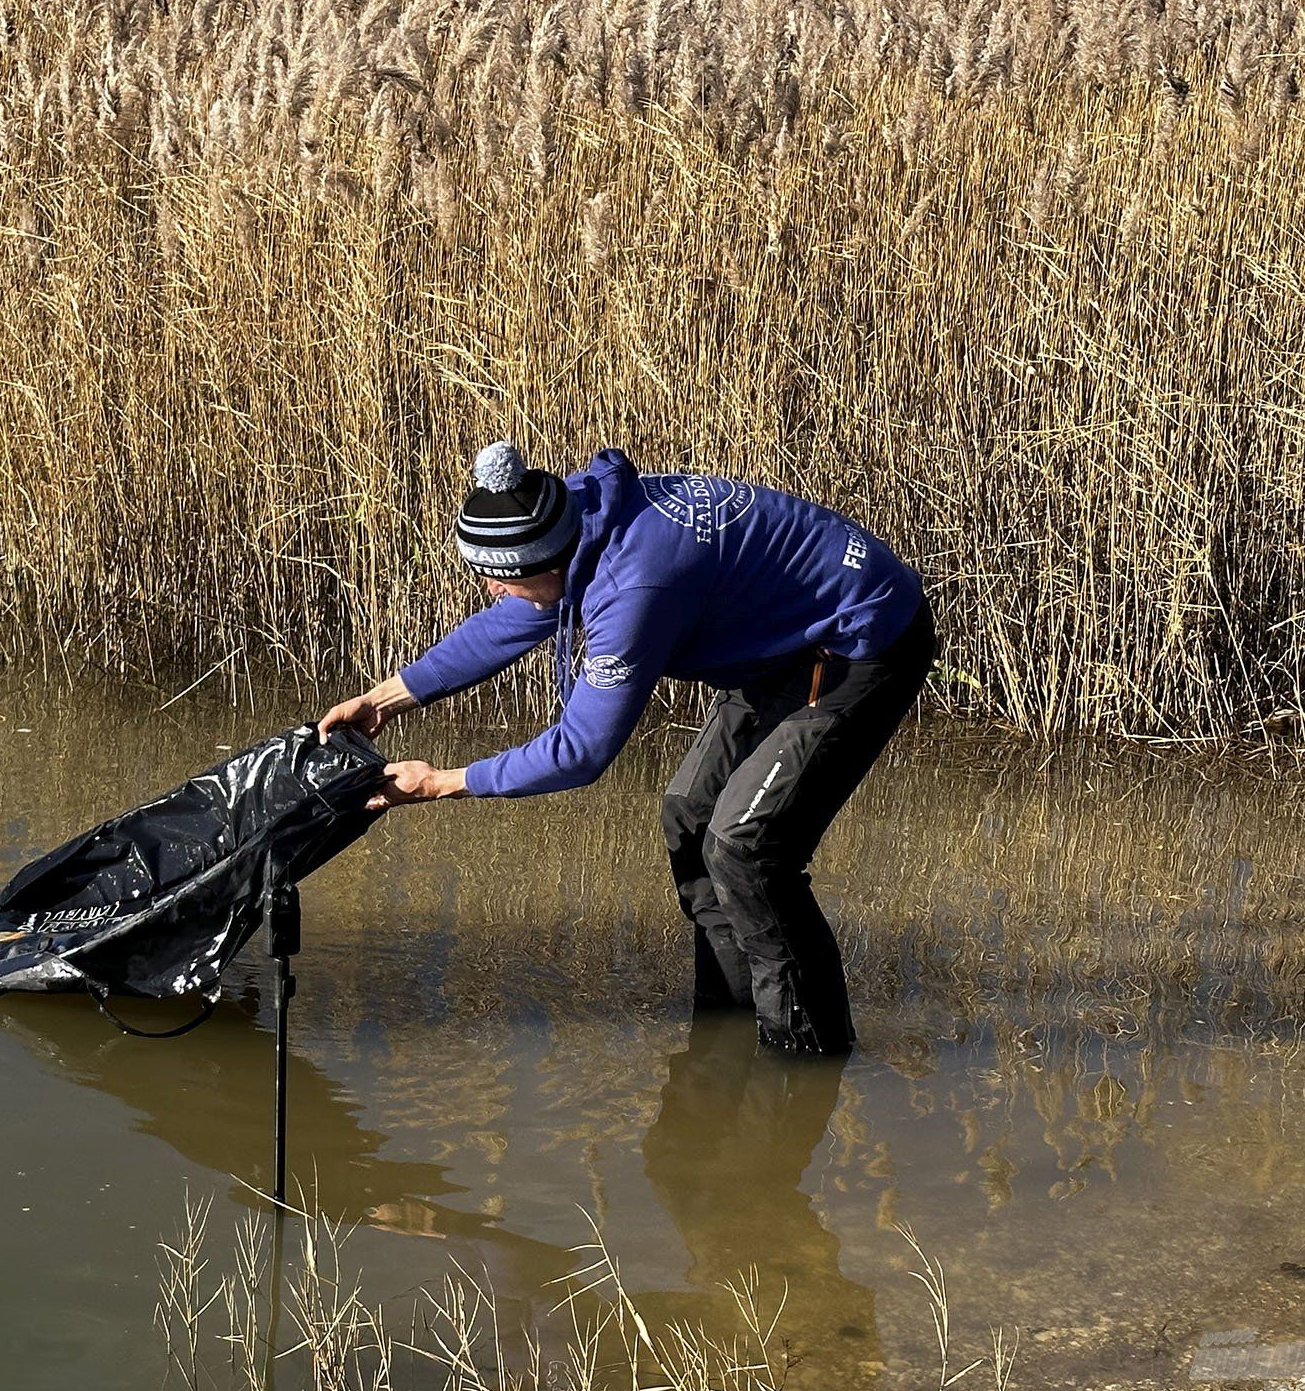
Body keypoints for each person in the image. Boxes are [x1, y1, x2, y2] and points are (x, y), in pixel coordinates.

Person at [318, 442, 935, 1054]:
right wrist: (385, 700)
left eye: (497, 578)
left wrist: (440, 783)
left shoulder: (635, 585)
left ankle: (804, 1055)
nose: (490, 589)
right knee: (691, 817)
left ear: (540, 564)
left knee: (746, 848)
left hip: (859, 642)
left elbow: (582, 750)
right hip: (785, 639)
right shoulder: (579, 516)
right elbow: (519, 617)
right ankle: (727, 1023)